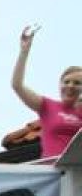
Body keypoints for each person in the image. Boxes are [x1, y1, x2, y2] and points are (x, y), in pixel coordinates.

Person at [11, 25, 82, 160]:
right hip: (52, 169)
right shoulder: (47, 106)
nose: (70, 86)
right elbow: (17, 85)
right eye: (66, 82)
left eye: (77, 83)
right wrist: (24, 52)